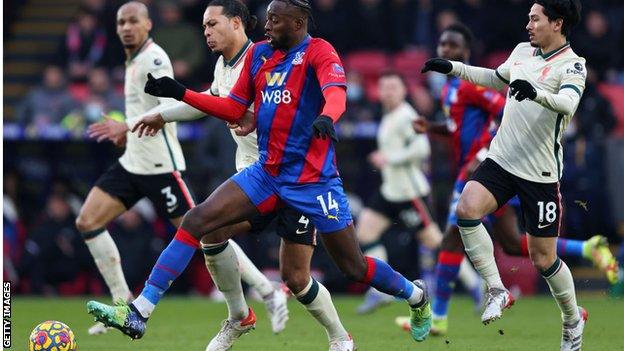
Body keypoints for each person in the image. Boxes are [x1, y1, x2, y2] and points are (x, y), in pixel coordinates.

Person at [89, 0, 433, 346]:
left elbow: (335, 91)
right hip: (265, 173)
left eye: (274, 20)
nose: (266, 26)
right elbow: (232, 107)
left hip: (312, 182)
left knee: (345, 268)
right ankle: (141, 311)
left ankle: (415, 296)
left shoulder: (318, 51)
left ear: (297, 22)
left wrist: (329, 116)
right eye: (266, 19)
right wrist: (180, 93)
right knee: (198, 222)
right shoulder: (260, 56)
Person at [395, 22, 619, 337]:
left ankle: (570, 308)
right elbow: (474, 105)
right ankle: (482, 297)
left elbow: (509, 106)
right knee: (483, 227)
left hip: (529, 168)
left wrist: (489, 142)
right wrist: (435, 119)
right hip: (496, 165)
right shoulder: (460, 84)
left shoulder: (569, 65)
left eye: (452, 47)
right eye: (442, 46)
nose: (445, 49)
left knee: (528, 252)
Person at [78, 1, 287, 337]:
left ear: (148, 24)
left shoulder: (156, 58)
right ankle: (127, 306)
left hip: (166, 165)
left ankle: (270, 293)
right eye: (121, 22)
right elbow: (207, 102)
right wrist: (143, 121)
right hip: (136, 162)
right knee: (90, 221)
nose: (126, 27)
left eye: (133, 21)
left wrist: (145, 119)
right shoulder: (219, 65)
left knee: (319, 270)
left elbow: (216, 104)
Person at [421, 1, 589, 349]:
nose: (528, 24)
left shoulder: (573, 65)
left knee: (543, 258)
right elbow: (493, 79)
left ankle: (572, 319)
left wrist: (537, 94)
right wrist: (453, 67)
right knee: (466, 210)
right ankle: (496, 289)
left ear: (557, 23)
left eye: (535, 19)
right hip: (501, 159)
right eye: (528, 18)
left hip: (540, 172)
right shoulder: (521, 51)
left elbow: (568, 104)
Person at [355, 71, 446, 314]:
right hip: (390, 191)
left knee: (434, 241)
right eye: (383, 87)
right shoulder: (389, 115)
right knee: (365, 233)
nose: (387, 92)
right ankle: (379, 290)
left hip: (409, 192)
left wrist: (389, 159)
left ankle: (476, 285)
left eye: (393, 87)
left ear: (403, 91)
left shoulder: (407, 115)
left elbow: (423, 148)